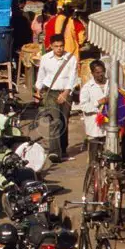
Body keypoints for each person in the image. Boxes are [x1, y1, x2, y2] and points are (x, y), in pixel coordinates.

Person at [34, 34, 78, 162]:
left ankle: (63, 150)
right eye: (56, 46)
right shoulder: (45, 58)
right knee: (54, 122)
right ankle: (54, 152)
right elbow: (41, 76)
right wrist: (38, 90)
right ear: (51, 46)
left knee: (63, 121)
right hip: (50, 92)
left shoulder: (71, 58)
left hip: (66, 93)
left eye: (61, 46)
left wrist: (65, 93)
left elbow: (72, 77)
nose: (59, 49)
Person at [77, 59, 108, 165]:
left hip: (108, 126)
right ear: (92, 73)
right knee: (94, 158)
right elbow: (84, 106)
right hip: (94, 126)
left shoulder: (110, 84)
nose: (100, 75)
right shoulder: (87, 87)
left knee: (108, 154)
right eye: (97, 73)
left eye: (102, 72)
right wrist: (98, 103)